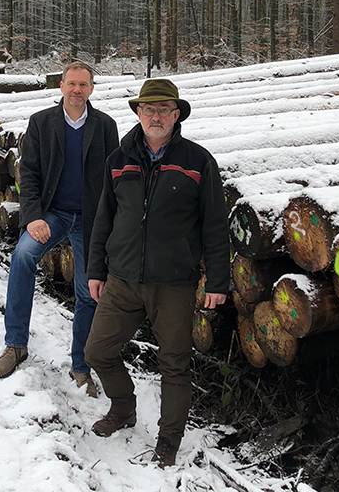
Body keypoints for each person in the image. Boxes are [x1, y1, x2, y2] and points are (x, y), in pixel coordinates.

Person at [84, 78, 230, 467]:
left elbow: (215, 224)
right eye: (149, 109)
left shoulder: (198, 161)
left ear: (176, 114)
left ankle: (168, 440)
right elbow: (104, 219)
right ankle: (123, 408)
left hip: (174, 284)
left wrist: (218, 280)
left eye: (164, 109)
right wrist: (96, 269)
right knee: (97, 350)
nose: (156, 116)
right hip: (122, 279)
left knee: (174, 364)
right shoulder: (118, 160)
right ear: (137, 113)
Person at [0, 61, 120, 398]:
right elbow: (29, 174)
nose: (77, 90)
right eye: (72, 84)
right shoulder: (41, 123)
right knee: (22, 257)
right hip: (52, 214)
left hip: (91, 221)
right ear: (61, 85)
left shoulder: (105, 126)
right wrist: (32, 216)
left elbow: (112, 180)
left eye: (84, 85)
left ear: (92, 89)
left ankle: (81, 365)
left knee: (87, 290)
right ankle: (15, 345)